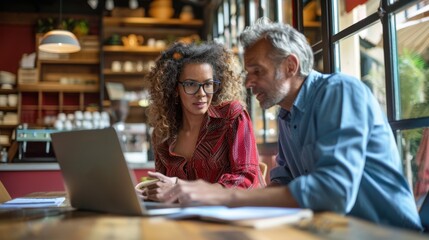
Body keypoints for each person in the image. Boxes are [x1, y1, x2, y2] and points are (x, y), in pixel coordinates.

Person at [157, 18, 423, 231]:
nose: (248, 83)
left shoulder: (340, 91)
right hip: (335, 231)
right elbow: (282, 184)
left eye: (257, 71)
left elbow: (333, 192)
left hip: (386, 233)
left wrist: (222, 196)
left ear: (290, 66)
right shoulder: (287, 115)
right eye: (248, 73)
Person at [137, 41, 265, 201]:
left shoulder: (232, 116)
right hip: (183, 219)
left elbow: (246, 179)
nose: (201, 93)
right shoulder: (163, 133)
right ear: (175, 88)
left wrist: (179, 186)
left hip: (233, 217)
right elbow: (165, 187)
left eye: (208, 84)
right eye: (191, 84)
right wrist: (149, 193)